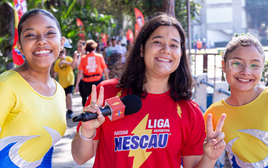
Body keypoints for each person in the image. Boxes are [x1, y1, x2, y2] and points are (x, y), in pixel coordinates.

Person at [71, 12, 226, 168]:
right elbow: (79, 158)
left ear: (180, 54)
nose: (166, 50)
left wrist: (209, 158)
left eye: (174, 45)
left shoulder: (190, 111)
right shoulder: (106, 93)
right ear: (142, 49)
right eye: (158, 42)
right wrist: (87, 131)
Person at [203, 34, 268, 168]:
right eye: (237, 63)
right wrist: (208, 156)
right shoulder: (214, 114)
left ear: (262, 68)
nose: (246, 71)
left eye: (254, 65)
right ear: (224, 66)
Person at [0, 9, 66, 167]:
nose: (41, 40)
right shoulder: (4, 86)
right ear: (19, 46)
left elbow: (45, 151)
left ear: (61, 43)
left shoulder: (59, 92)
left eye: (50, 33)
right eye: (31, 35)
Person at [75, 39, 109, 107]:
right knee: (98, 100)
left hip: (86, 83)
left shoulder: (83, 58)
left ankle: (88, 114)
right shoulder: (99, 56)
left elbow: (80, 73)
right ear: (95, 47)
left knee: (90, 99)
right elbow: (105, 70)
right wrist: (107, 80)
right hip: (98, 81)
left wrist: (77, 85)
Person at [53, 46, 76, 118]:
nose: (60, 54)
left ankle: (71, 110)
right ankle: (68, 111)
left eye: (61, 53)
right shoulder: (57, 62)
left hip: (70, 80)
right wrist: (52, 78)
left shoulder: (69, 59)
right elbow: (55, 72)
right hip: (62, 82)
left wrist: (64, 62)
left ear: (65, 53)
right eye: (59, 53)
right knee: (65, 97)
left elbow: (73, 66)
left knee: (69, 95)